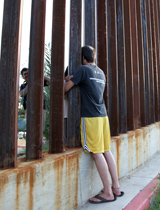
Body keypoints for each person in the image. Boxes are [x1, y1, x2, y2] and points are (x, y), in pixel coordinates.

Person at [64, 46, 124, 204]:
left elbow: (65, 88)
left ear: (83, 57)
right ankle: (116, 187)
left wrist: (68, 79)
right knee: (106, 150)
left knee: (96, 153)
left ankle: (107, 192)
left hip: (91, 117)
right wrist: (74, 77)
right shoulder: (100, 72)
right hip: (103, 116)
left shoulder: (83, 69)